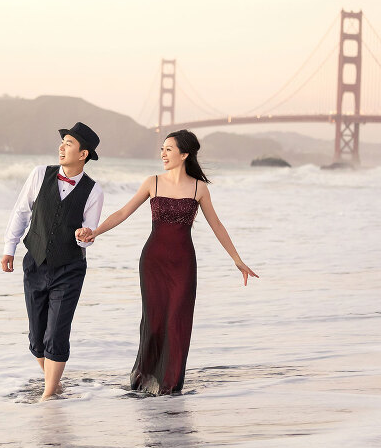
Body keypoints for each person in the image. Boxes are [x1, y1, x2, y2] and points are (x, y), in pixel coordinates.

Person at [76, 129, 258, 395]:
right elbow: (124, 211)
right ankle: (147, 381)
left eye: (168, 149)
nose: (162, 154)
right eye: (162, 149)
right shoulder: (153, 182)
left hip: (183, 265)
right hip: (154, 262)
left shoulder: (198, 188)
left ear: (184, 154)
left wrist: (237, 260)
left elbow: (217, 225)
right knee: (155, 322)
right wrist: (95, 232)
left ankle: (170, 385)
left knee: (177, 321)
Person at [1, 122, 104, 401]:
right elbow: (21, 212)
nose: (61, 147)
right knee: (37, 338)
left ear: (83, 154)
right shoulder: (39, 174)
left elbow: (89, 235)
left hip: (70, 269)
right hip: (35, 262)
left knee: (56, 332)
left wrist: (84, 236)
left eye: (69, 143)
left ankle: (48, 395)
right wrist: (9, 248)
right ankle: (54, 384)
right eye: (62, 142)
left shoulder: (94, 191)